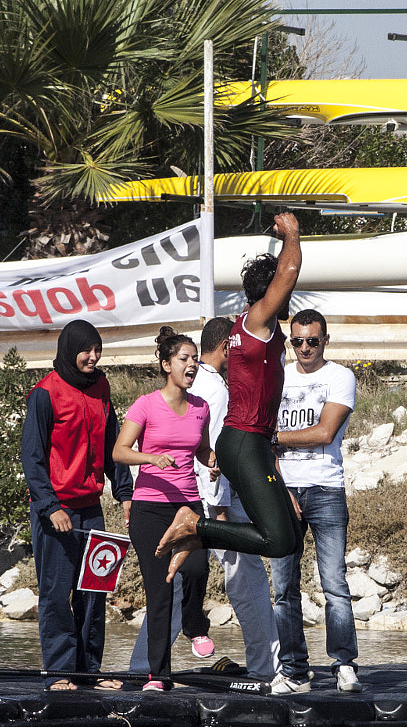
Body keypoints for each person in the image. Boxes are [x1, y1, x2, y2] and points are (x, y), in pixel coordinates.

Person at [154, 212, 302, 578]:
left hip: (252, 443)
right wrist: (292, 235)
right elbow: (288, 272)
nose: (289, 296)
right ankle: (196, 526)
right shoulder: (257, 321)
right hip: (243, 442)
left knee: (291, 537)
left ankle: (198, 535)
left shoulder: (249, 326)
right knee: (280, 541)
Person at [21, 321, 134, 690]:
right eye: (87, 350)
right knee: (56, 594)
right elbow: (32, 457)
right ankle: (61, 672)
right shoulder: (45, 393)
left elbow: (112, 447)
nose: (93, 356)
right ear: (70, 350)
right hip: (56, 510)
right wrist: (49, 505)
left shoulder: (101, 387)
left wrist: (125, 493)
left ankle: (89, 671)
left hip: (92, 507)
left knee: (94, 592)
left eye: (98, 349)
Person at [113, 327, 213, 691]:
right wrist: (151, 458)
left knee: (198, 568)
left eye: (195, 359)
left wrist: (213, 460)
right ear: (166, 364)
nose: (192, 365)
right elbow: (119, 451)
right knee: (159, 590)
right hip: (150, 508)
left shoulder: (201, 407)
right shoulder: (146, 404)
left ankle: (193, 624)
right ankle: (159, 675)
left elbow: (200, 449)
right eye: (184, 359)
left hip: (188, 506)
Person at [269, 309, 362, 695]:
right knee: (282, 588)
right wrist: (280, 489)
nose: (305, 348)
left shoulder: (340, 376)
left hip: (325, 489)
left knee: (334, 584)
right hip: (282, 490)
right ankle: (293, 669)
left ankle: (344, 664)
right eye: (298, 341)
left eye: (313, 340)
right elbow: (260, 439)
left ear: (325, 340)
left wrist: (277, 438)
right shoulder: (278, 378)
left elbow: (325, 432)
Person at [189, 314, 280, 680]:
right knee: (249, 584)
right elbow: (216, 454)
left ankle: (146, 666)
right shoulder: (218, 391)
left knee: (178, 583)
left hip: (188, 498)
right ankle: (267, 668)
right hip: (215, 502)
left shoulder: (191, 385)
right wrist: (221, 508)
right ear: (228, 346)